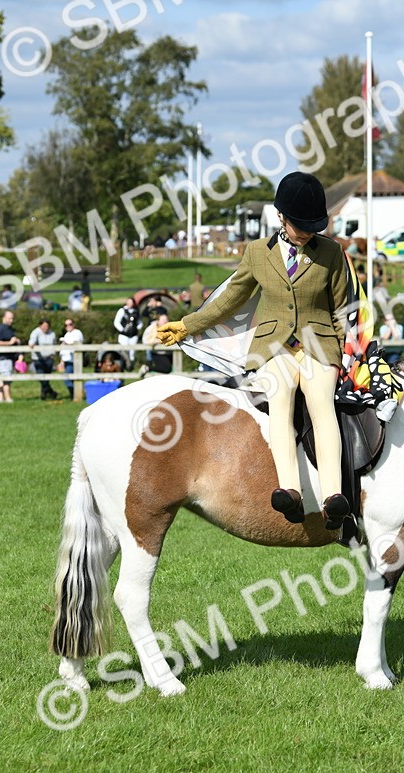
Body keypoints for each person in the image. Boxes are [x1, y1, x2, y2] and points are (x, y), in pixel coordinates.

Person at [156, 171, 351, 529]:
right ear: (280, 215)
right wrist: (187, 324)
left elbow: (342, 307)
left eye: (314, 224)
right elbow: (231, 298)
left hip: (319, 344)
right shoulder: (257, 253)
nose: (308, 232)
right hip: (273, 345)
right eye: (300, 224)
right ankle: (289, 491)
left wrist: (345, 352)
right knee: (280, 399)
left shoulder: (332, 253)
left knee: (321, 403)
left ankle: (332, 497)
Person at [0, 310, 19, 403]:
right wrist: (10, 343)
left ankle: (0, 398)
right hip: (3, 357)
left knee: (3, 378)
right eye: (9, 318)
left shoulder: (9, 328)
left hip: (8, 357)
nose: (11, 320)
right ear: (4, 318)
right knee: (6, 378)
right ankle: (8, 398)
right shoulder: (1, 328)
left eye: (12, 318)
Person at [29, 319, 59, 400]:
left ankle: (44, 395)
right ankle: (51, 392)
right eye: (44, 326)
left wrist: (53, 354)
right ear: (40, 326)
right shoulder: (36, 332)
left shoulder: (52, 333)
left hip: (49, 358)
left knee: (46, 377)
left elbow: (54, 344)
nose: (46, 328)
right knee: (41, 376)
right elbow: (32, 340)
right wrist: (31, 344)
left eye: (47, 326)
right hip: (38, 358)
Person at [60, 318, 85, 398]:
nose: (68, 326)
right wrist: (62, 361)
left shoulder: (77, 333)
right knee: (71, 379)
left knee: (67, 379)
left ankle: (76, 394)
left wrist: (67, 344)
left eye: (70, 324)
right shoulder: (67, 334)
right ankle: (76, 394)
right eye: (66, 325)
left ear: (73, 324)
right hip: (66, 360)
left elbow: (77, 344)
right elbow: (63, 350)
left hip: (74, 360)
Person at [114, 298, 141, 366]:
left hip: (133, 335)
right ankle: (124, 364)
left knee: (132, 352)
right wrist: (122, 330)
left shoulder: (136, 311)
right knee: (124, 351)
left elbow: (139, 322)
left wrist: (137, 328)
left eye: (131, 302)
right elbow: (116, 322)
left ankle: (131, 365)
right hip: (124, 335)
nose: (130, 304)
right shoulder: (122, 310)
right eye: (128, 302)